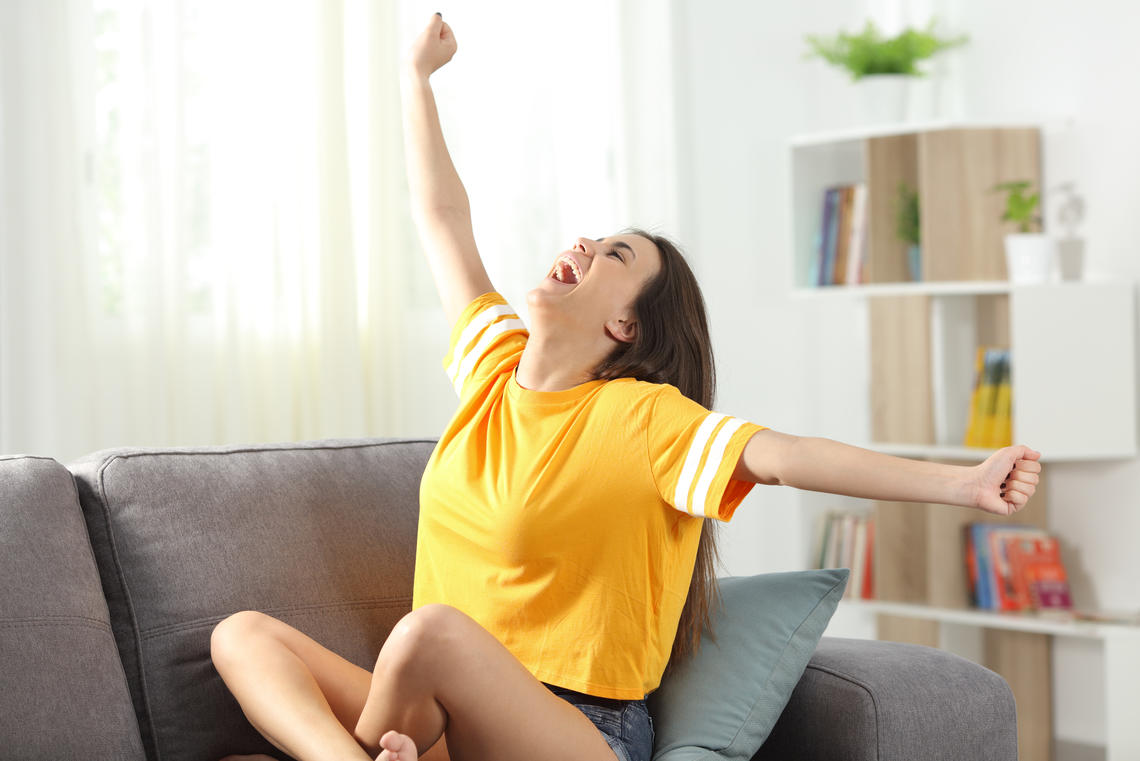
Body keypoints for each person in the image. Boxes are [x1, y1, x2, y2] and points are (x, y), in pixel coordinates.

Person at [209, 13, 1043, 761]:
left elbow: (788, 458)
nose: (584, 243)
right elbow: (443, 220)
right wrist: (414, 80)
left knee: (429, 632)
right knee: (242, 635)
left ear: (627, 328)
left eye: (614, 255)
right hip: (434, 723)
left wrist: (962, 482)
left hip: (578, 732)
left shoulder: (646, 419)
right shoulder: (491, 372)